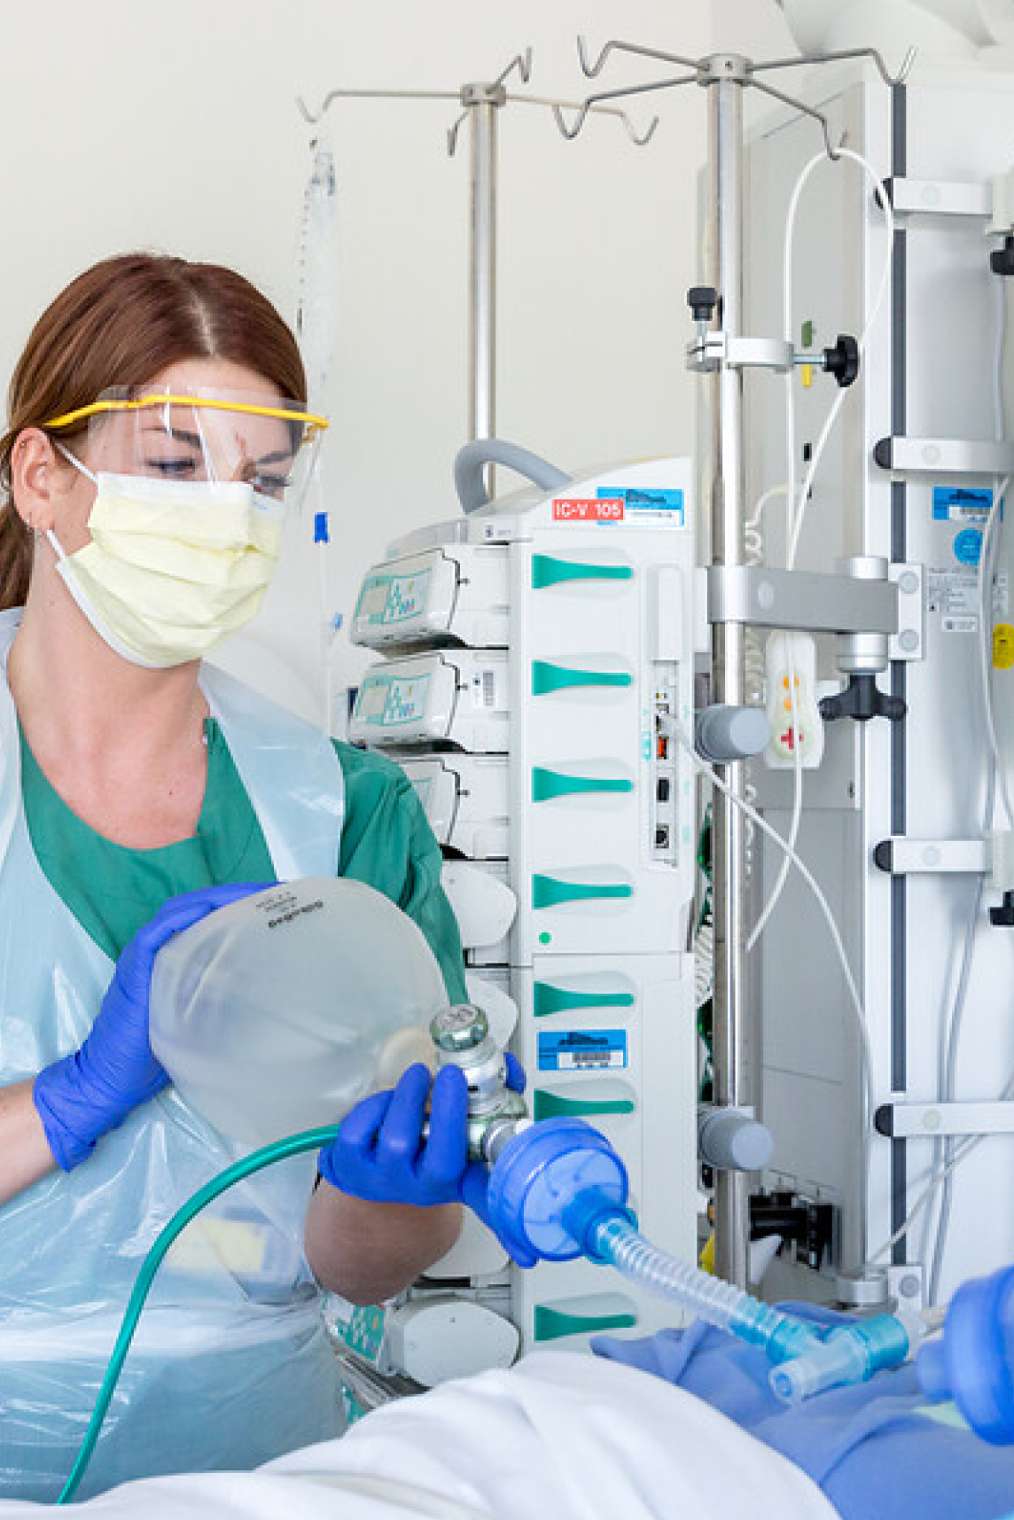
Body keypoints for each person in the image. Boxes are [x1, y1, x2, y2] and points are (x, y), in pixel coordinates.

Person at [0, 253, 499, 1502]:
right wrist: (66, 1099)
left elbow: (365, 1263)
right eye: (177, 468)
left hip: (259, 1460)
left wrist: (395, 1191)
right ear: (40, 476)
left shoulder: (345, 810)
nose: (227, 515)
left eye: (262, 481)